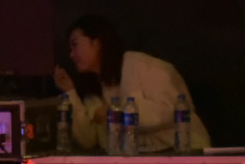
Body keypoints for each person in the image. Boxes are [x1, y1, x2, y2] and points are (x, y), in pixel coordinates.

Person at [51, 15, 210, 153]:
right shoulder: (95, 87)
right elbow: (88, 140)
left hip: (185, 154)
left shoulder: (139, 64)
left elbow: (169, 110)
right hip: (140, 162)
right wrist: (70, 92)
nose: (71, 55)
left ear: (97, 43)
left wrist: (116, 112)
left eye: (75, 44)